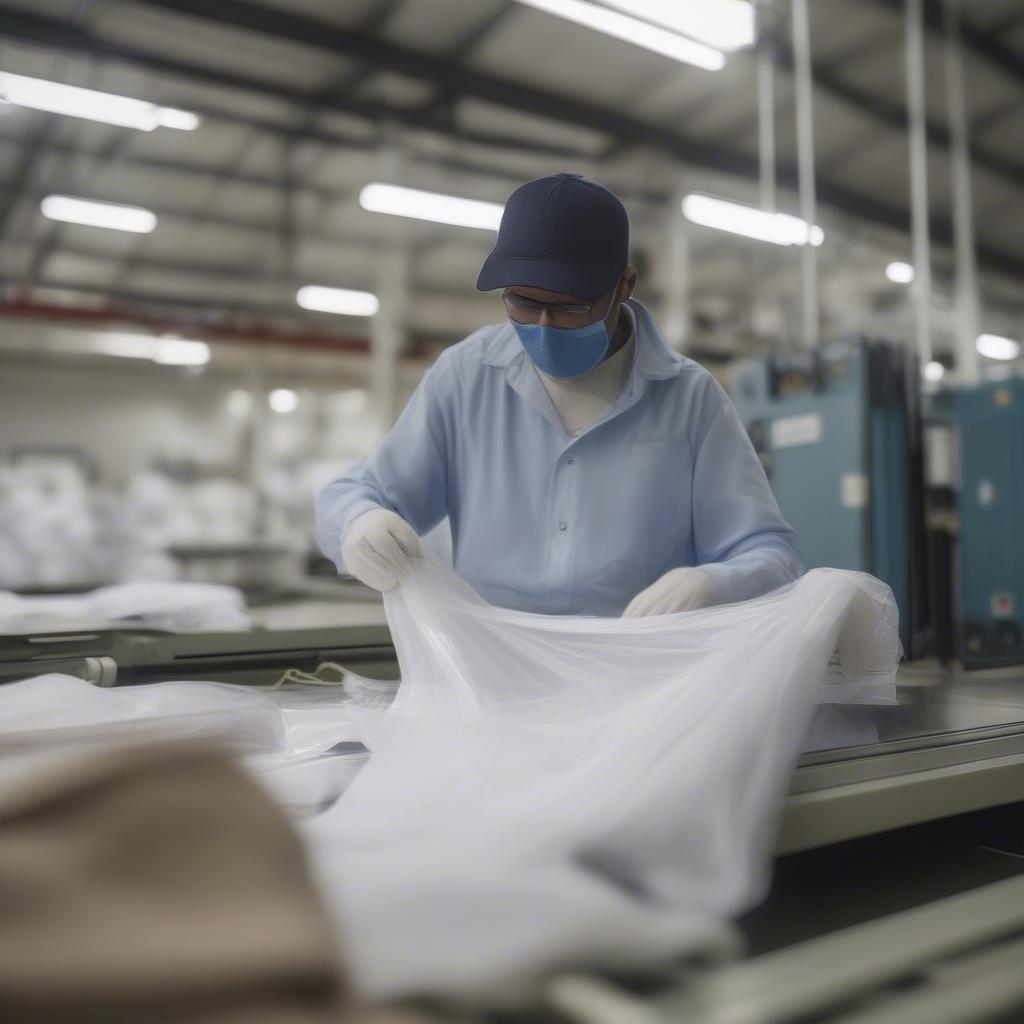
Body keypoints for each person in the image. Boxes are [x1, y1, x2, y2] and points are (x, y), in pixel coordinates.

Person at [316, 172, 802, 617]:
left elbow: (772, 555)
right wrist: (358, 525)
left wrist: (713, 583)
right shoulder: (466, 377)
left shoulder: (690, 400)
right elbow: (356, 493)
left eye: (571, 306)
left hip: (640, 679)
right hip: (495, 677)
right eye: (523, 302)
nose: (544, 326)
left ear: (624, 285)